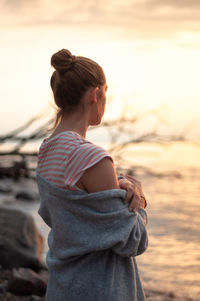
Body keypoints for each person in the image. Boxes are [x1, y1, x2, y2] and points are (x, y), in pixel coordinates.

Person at [36, 49, 148, 301]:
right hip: (99, 287)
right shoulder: (92, 158)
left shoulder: (47, 151)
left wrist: (117, 185)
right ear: (95, 95)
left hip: (63, 285)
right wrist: (138, 198)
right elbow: (133, 240)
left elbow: (76, 209)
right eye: (106, 91)